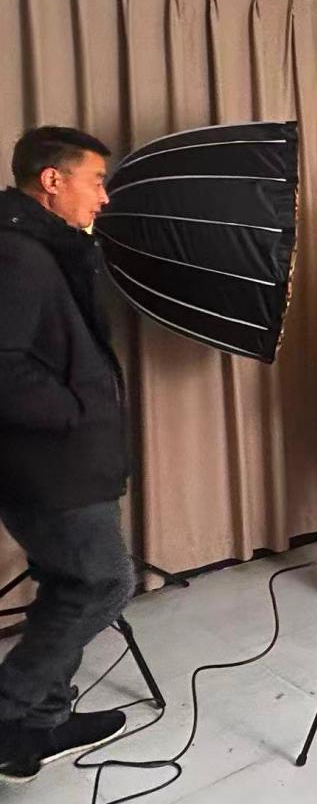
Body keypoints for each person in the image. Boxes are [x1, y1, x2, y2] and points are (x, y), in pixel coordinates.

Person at [0, 126, 136, 782]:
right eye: (96, 180)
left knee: (64, 584)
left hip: (65, 461)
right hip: (52, 468)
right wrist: (81, 410)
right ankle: (7, 713)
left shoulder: (48, 248)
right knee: (103, 583)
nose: (104, 198)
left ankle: (42, 723)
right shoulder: (17, 255)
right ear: (52, 180)